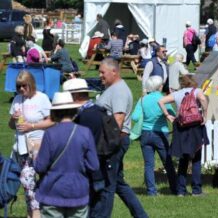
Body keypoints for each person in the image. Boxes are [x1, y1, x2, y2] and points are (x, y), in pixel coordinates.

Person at [33, 91, 100, 218]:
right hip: (78, 191)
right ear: (74, 111)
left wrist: (35, 156)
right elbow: (94, 165)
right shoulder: (85, 133)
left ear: (55, 112)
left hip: (52, 192)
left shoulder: (50, 134)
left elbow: (40, 167)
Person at [95, 58, 147, 218]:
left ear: (114, 72)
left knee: (108, 185)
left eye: (102, 72)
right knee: (117, 183)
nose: (100, 75)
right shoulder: (113, 88)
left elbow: (118, 121)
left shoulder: (119, 91)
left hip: (113, 141)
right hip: (114, 140)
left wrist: (105, 144)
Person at [63, 78, 111, 215]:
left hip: (87, 170)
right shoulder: (99, 111)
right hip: (100, 166)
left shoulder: (83, 117)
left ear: (76, 96)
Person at [8, 70, 53, 218]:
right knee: (27, 182)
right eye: (18, 86)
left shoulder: (42, 98)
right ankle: (32, 212)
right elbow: (11, 126)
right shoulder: (17, 99)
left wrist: (31, 126)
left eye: (24, 86)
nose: (21, 89)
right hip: (21, 147)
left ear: (31, 84)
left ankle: (37, 212)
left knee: (28, 180)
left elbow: (51, 121)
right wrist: (13, 119)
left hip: (38, 146)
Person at [158, 74, 208, 196]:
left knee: (183, 159)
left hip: (181, 127)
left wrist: (167, 115)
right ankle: (196, 190)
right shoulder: (197, 91)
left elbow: (161, 101)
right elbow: (203, 99)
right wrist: (205, 114)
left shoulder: (177, 94)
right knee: (196, 158)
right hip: (195, 127)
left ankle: (181, 190)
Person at [132, 75, 178, 196]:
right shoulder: (163, 99)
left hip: (145, 134)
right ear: (159, 86)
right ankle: (175, 188)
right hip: (160, 134)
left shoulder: (142, 99)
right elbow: (172, 115)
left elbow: (135, 117)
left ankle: (151, 191)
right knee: (167, 162)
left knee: (148, 164)